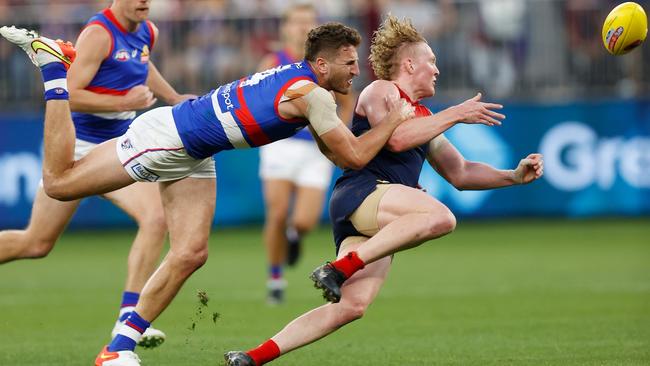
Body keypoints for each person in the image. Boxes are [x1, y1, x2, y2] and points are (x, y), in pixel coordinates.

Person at [0, 22, 419, 366]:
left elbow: (342, 156)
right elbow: (357, 157)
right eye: (348, 63)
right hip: (171, 139)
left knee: (191, 253)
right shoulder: (311, 95)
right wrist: (395, 119)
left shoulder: (305, 84)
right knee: (59, 184)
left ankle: (116, 350)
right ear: (322, 64)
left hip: (197, 149)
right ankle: (54, 71)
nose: (355, 71)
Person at [224, 15, 543, 366]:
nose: (436, 70)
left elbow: (461, 172)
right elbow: (396, 139)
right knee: (440, 217)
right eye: (431, 61)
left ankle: (252, 357)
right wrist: (455, 113)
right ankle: (339, 267)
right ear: (408, 64)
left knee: (352, 307)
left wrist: (512, 176)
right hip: (363, 194)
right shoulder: (382, 90)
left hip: (377, 212)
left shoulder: (422, 115)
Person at [0, 0, 195, 349]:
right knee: (37, 242)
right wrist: (122, 103)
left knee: (154, 217)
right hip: (75, 148)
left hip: (117, 148)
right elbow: (67, 94)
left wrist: (173, 96)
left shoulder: (148, 30)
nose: (144, 2)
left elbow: (143, 66)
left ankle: (128, 314)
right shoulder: (98, 34)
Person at [256, 3, 355, 305]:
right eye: (297, 22)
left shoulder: (326, 63)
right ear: (285, 27)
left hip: (315, 149)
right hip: (281, 145)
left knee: (305, 220)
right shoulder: (273, 61)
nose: (302, 27)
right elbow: (257, 99)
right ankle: (275, 278)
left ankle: (294, 235)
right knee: (276, 212)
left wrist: (339, 131)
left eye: (308, 22)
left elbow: (347, 101)